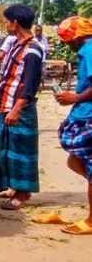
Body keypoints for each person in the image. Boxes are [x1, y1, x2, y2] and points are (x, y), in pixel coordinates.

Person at [0, 4, 43, 210]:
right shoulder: (17, 45)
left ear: (15, 23)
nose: (5, 25)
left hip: (18, 108)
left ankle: (22, 193)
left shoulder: (33, 50)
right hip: (5, 105)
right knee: (7, 149)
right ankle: (14, 187)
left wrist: (17, 108)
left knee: (21, 150)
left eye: (7, 21)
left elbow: (30, 84)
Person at [54, 17, 92, 234]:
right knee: (74, 162)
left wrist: (75, 98)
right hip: (83, 114)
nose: (67, 45)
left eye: (68, 41)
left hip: (89, 116)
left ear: (76, 37)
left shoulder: (89, 50)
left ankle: (91, 221)